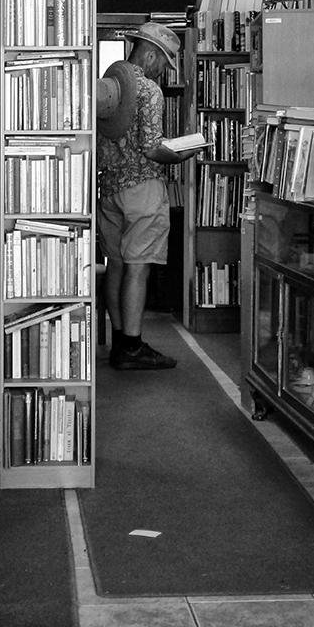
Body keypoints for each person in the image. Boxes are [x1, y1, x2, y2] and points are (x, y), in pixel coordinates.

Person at [96, 22, 199, 370]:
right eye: (164, 63)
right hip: (142, 190)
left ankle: (119, 341)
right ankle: (134, 348)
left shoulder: (109, 88)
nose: (163, 72)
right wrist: (183, 153)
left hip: (108, 189)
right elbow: (153, 149)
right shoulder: (149, 90)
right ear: (151, 53)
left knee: (116, 265)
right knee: (138, 268)